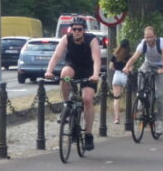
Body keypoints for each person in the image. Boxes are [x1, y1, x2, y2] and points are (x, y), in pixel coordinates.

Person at [45, 17, 102, 150]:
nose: (76, 32)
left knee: (87, 100)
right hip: (73, 67)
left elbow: (97, 58)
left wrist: (95, 75)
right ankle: (67, 104)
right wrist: (49, 71)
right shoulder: (66, 38)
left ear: (84, 30)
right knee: (64, 74)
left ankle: (88, 135)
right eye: (74, 29)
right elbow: (56, 56)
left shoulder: (91, 40)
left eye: (79, 29)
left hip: (89, 70)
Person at [122, 26, 163, 134]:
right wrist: (126, 67)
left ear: (155, 36)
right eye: (147, 37)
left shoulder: (161, 42)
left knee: (159, 95)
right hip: (148, 64)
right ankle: (141, 99)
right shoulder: (143, 44)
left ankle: (160, 122)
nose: (148, 39)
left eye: (151, 37)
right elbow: (134, 57)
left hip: (160, 66)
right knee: (140, 72)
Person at [109, 39, 132, 125]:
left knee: (116, 98)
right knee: (128, 97)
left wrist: (117, 70)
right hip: (125, 76)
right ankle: (129, 117)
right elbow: (130, 68)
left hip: (116, 76)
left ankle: (117, 118)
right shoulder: (129, 56)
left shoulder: (115, 55)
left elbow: (110, 67)